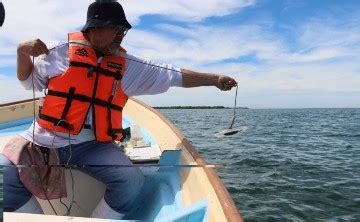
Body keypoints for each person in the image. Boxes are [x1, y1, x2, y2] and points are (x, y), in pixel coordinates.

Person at [0, 0, 237, 219]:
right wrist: (21, 52)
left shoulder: (129, 67)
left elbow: (173, 74)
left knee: (131, 180)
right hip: (44, 139)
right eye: (115, 28)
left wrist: (214, 78)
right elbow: (28, 82)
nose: (120, 35)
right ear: (92, 29)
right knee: (7, 167)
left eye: (123, 30)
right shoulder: (57, 52)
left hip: (92, 146)